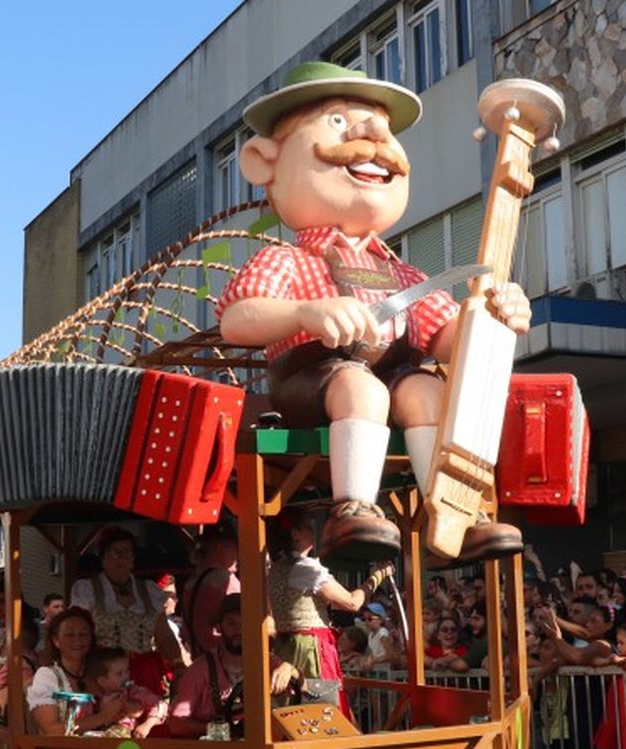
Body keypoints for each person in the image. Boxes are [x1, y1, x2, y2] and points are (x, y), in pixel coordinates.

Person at [216, 60, 528, 563]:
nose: (374, 137)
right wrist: (304, 312)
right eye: (338, 121)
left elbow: (446, 336)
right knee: (358, 387)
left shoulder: (401, 273)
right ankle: (353, 506)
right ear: (264, 162)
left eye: (383, 128)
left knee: (429, 389)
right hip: (311, 380)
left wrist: (491, 318)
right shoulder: (286, 258)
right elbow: (237, 319)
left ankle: (451, 513)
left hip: (393, 378)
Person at [267, 506, 394, 701]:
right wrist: (378, 576)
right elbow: (352, 603)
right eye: (308, 526)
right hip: (311, 649)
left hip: (286, 648)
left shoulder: (275, 569)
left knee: (291, 705)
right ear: (295, 533)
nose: (313, 531)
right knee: (321, 705)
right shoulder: (306, 568)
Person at [167, 595, 297, 739]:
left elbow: (302, 688)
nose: (239, 631)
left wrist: (288, 668)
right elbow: (176, 724)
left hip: (259, 747)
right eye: (231, 623)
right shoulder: (198, 671)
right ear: (219, 627)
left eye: (245, 623)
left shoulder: (267, 660)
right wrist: (221, 730)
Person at [68, 527, 180, 692]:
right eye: (115, 552)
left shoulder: (149, 591)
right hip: (103, 676)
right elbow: (77, 634)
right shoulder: (87, 589)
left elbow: (164, 635)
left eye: (127, 553)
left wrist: (179, 664)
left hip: (145, 674)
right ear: (103, 557)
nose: (121, 558)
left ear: (133, 558)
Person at [27, 608, 98, 735]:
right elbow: (52, 730)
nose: (77, 640)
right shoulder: (47, 676)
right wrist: (103, 716)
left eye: (83, 634)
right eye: (69, 634)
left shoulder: (99, 672)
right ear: (56, 641)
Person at [80, 647, 167, 738]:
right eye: (119, 674)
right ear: (103, 681)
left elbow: (160, 705)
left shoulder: (133, 692)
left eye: (126, 671)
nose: (126, 676)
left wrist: (147, 725)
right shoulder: (92, 698)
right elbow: (78, 724)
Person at [180, 528, 239, 656]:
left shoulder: (190, 583)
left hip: (199, 656)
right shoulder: (225, 579)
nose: (238, 556)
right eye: (235, 548)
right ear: (221, 549)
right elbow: (247, 615)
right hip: (223, 656)